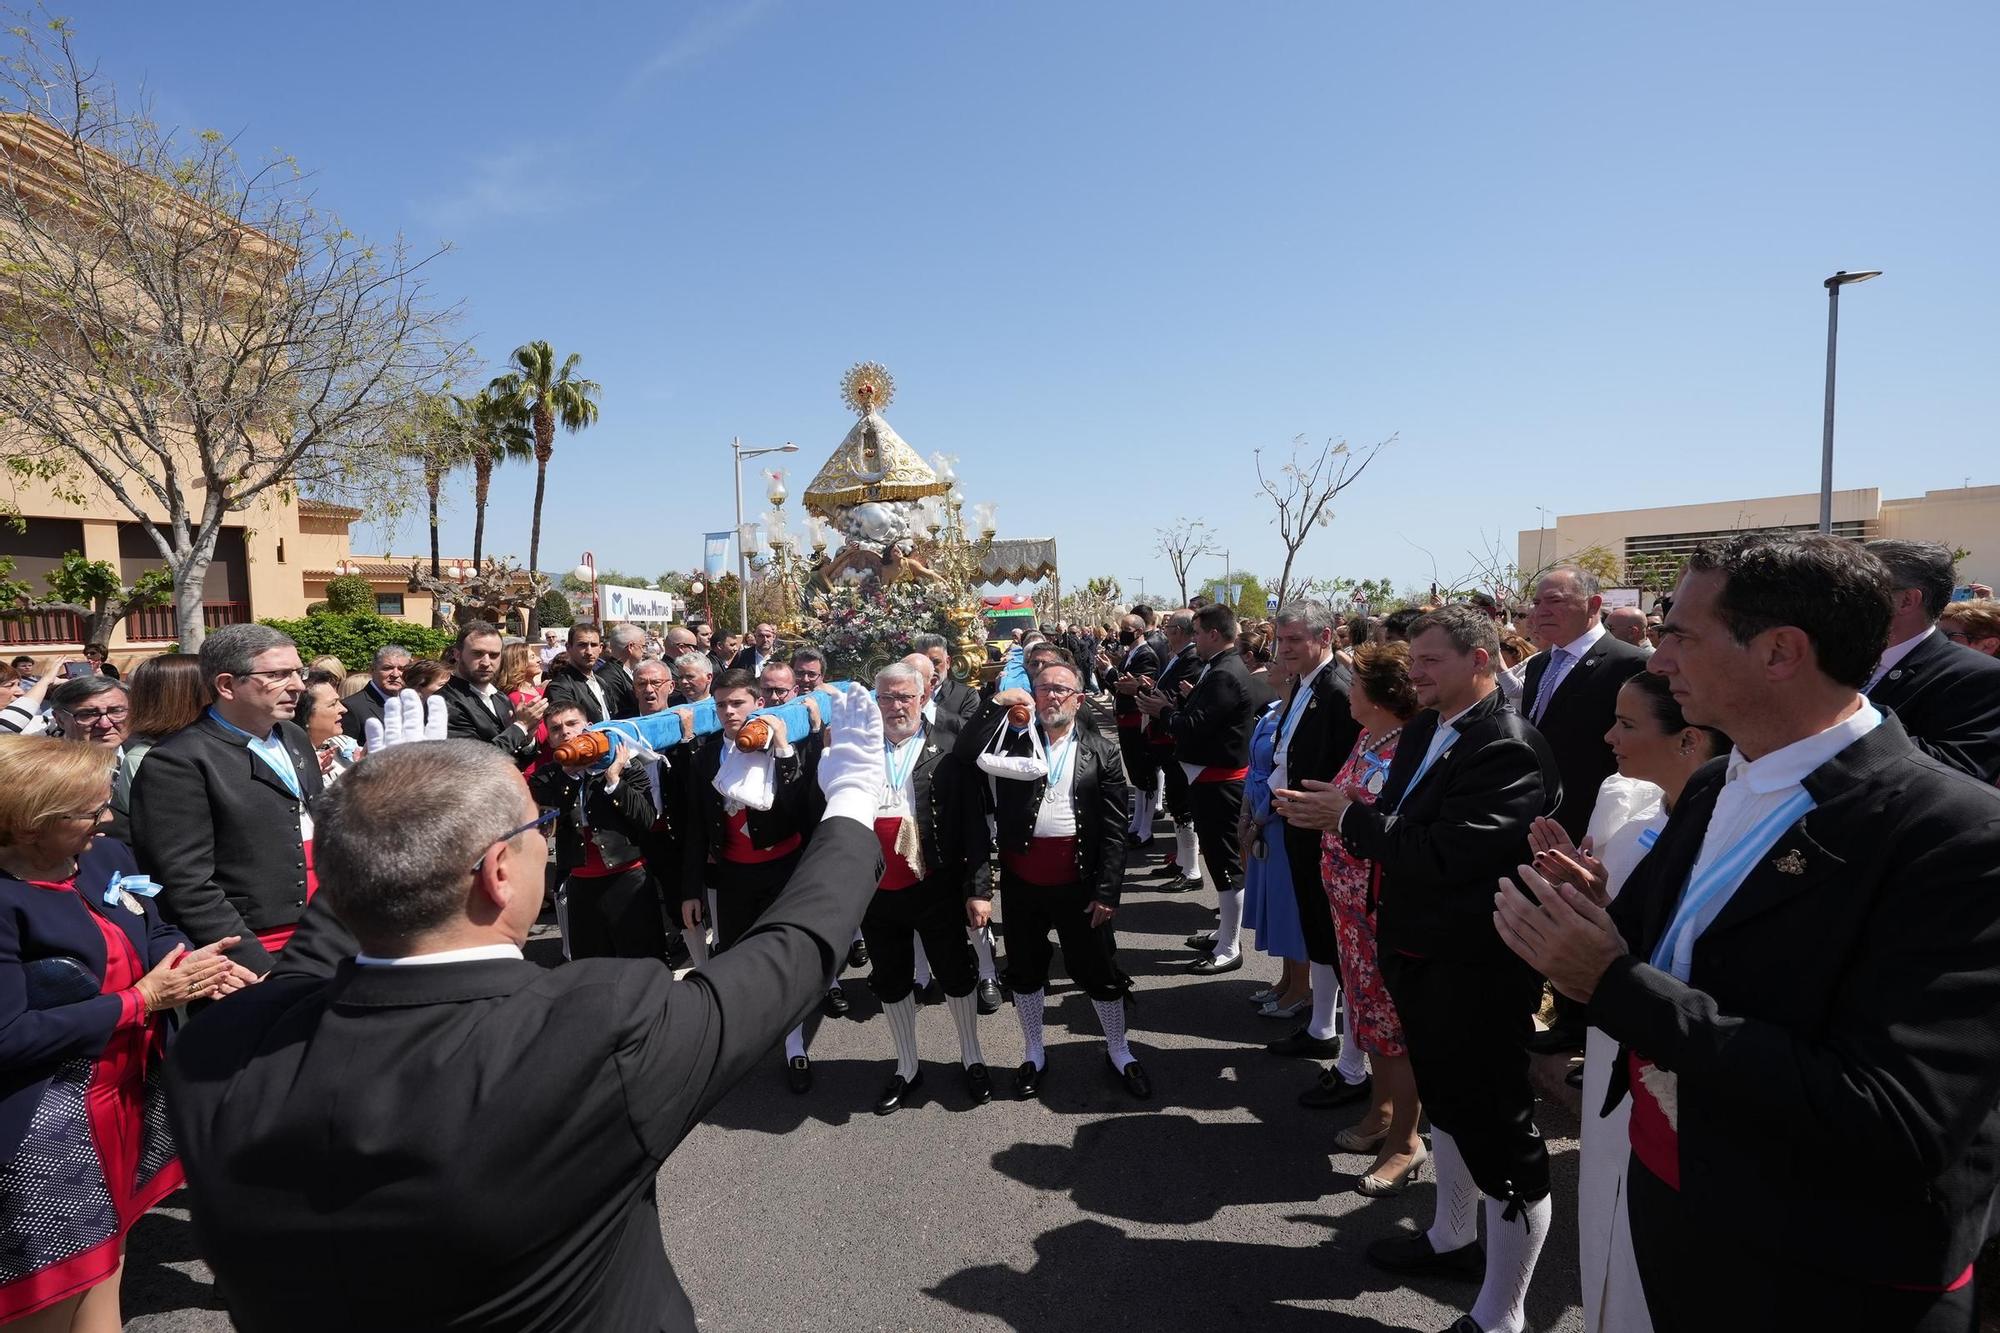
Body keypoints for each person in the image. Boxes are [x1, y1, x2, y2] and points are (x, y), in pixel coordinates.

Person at [164, 687, 892, 1333]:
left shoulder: (220, 1048)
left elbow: (318, 948)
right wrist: (855, 803)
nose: (546, 837)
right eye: (535, 827)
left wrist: (382, 813)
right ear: (498, 872)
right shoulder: (596, 1031)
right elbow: (791, 952)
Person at [1496, 532, 2000, 1332]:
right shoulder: (1711, 784)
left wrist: (1613, 980)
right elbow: (1692, 956)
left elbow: (1896, 1116)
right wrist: (1604, 913)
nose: (1657, 661)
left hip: (1824, 1277)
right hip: (1686, 1220)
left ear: (1779, 652)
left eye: (1680, 636)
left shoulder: (1955, 833)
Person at [1289, 604, 1561, 1333]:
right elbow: (1401, 816)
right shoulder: (1426, 728)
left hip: (1474, 966)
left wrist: (1344, 817)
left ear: (1481, 660)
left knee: (1501, 1136)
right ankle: (1451, 1235)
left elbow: (1447, 851)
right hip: (1416, 951)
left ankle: (1502, 1315)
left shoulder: (1506, 745)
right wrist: (1348, 804)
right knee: (1452, 1109)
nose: (1415, 672)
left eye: (1431, 660)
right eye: (1413, 660)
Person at [0, 737, 248, 1328]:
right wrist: (140, 1000)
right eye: (87, 810)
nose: (105, 817)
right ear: (29, 826)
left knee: (108, 1260)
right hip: (45, 1122)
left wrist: (189, 964)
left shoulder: (106, 857)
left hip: (121, 1097)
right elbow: (7, 1037)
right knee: (51, 1290)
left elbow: (153, 930)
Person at [1523, 669, 1726, 1333]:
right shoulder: (1633, 809)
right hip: (1616, 1033)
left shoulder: (1729, 831)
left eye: (1628, 724)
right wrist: (1589, 892)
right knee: (1609, 1209)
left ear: (1689, 741)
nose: (1609, 736)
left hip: (1667, 1048)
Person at [964, 661, 1147, 1100]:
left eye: (1061, 689)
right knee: (1025, 971)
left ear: (1078, 699)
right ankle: (1033, 1051)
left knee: (1099, 971)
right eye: (1042, 688)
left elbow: (1115, 829)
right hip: (1024, 880)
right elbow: (965, 752)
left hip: (1079, 882)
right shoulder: (1011, 738)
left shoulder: (1101, 750)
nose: (1050, 696)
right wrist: (996, 704)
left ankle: (1119, 1050)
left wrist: (1108, 890)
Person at [132, 624, 343, 972]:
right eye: (278, 674)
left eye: (298, 671)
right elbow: (186, 883)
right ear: (227, 685)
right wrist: (252, 964)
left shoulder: (291, 735)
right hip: (256, 945)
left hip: (325, 930)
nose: (298, 685)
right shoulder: (178, 761)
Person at [1301, 642, 1426, 1194]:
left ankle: (1407, 1138)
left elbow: (1388, 823)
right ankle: (1381, 1111)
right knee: (1368, 1017)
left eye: (1354, 685)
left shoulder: (1408, 748)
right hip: (1349, 910)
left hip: (1380, 908)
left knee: (1392, 1024)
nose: (1346, 693)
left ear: (1377, 696)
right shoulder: (1368, 736)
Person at [677, 668, 825, 1093]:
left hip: (782, 868)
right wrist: (691, 890)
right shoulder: (705, 756)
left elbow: (805, 806)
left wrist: (783, 752)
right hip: (732, 873)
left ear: (758, 702)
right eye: (721, 704)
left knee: (786, 959)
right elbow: (695, 828)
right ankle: (740, 1044)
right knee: (737, 958)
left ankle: (795, 1045)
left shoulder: (786, 744)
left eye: (737, 702)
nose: (728, 711)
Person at [858, 663, 990, 1113]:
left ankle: (971, 1056)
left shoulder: (949, 750)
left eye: (904, 698)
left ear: (922, 697)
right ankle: (907, 1065)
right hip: (876, 890)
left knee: (955, 973)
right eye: (886, 698)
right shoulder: (858, 751)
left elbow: (974, 826)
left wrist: (979, 890)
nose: (895, 706)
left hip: (936, 883)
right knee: (891, 981)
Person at [1254, 605, 1366, 1091]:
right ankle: (1322, 1026)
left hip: (1324, 826)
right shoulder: (1305, 682)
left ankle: (1347, 1050)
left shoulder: (1339, 688)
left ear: (1325, 636)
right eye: (1281, 641)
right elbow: (1286, 750)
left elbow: (1344, 766)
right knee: (1318, 931)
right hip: (1297, 821)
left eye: (1294, 640)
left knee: (1334, 935)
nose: (1284, 650)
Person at [1147, 604, 1255, 971]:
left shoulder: (1225, 672)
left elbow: (1194, 726)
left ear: (1213, 634)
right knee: (1219, 863)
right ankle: (1225, 932)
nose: (1192, 639)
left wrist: (1164, 711)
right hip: (1210, 779)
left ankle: (1229, 946)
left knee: (1225, 865)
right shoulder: (1220, 668)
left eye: (1196, 632)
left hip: (1220, 783)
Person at [534, 701, 668, 962]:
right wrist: (569, 777)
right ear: (550, 740)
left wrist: (615, 781)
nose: (565, 732)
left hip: (629, 877)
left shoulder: (627, 765)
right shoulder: (547, 777)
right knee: (592, 963)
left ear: (590, 728)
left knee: (642, 959)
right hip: (581, 881)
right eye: (556, 729)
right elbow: (549, 822)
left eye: (572, 724)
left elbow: (647, 819)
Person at [1861, 538, 2000, 782]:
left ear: (1907, 601)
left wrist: (1837, 719)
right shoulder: (1826, 657)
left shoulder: (1980, 676)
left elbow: (1955, 772)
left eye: (1858, 588)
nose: (1839, 599)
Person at [1237, 687, 1310, 1018]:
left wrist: (1259, 818)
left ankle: (1301, 989)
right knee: (1277, 905)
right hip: (1261, 810)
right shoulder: (1274, 708)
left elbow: (1287, 776)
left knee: (1289, 907)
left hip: (1278, 817)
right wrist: (1246, 811)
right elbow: (1255, 765)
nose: (1274, 666)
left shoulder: (1301, 709)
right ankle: (1286, 980)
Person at [439, 621, 547, 768]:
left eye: (494, 655)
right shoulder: (443, 702)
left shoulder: (500, 698)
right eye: (477, 654)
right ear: (457, 655)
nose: (486, 662)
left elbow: (518, 763)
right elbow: (475, 763)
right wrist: (521, 727)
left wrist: (527, 738)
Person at [1095, 613, 1162, 846]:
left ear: (1139, 631)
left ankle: (1145, 830)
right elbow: (1117, 689)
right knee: (1136, 773)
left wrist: (1110, 672)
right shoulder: (1131, 653)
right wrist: (1105, 671)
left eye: (1126, 628)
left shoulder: (1146, 655)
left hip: (1138, 719)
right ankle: (1137, 824)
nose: (1121, 632)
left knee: (1144, 772)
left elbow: (1131, 687)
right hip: (1125, 718)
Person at [546, 623, 624, 725]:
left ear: (601, 648)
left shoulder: (601, 682)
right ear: (568, 647)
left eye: (594, 645)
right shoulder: (560, 687)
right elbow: (567, 729)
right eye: (582, 645)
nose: (589, 651)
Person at [295, 669, 361, 782]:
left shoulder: (345, 743)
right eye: (333, 704)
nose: (343, 709)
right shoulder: (293, 761)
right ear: (305, 714)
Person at [338, 644, 411, 743]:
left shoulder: (411, 704)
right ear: (372, 670)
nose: (395, 674)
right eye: (388, 668)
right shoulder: (351, 707)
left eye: (402, 669)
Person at [915, 632, 979, 722]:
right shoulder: (905, 694)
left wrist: (929, 707)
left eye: (936, 662)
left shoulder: (966, 695)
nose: (930, 668)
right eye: (924, 662)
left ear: (948, 662)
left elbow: (968, 730)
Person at [599, 623, 648, 720]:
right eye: (643, 646)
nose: (645, 651)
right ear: (631, 647)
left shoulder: (625, 671)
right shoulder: (609, 677)